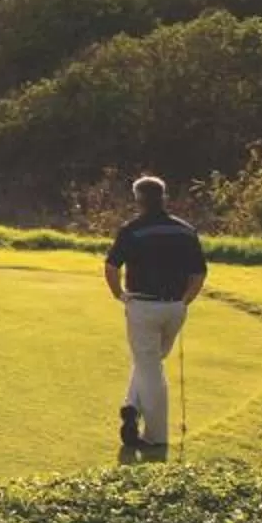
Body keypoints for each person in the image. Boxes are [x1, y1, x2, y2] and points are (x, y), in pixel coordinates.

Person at [105, 174, 207, 457]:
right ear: (164, 198)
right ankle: (131, 405)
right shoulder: (185, 230)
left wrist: (120, 295)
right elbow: (199, 273)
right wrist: (184, 302)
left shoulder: (132, 230)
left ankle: (156, 438)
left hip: (143, 306)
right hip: (175, 308)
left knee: (149, 368)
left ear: (138, 200)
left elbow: (111, 267)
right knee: (149, 362)